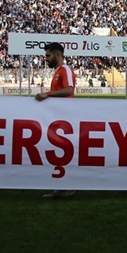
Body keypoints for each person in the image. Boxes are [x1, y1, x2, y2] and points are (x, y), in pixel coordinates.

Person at [35, 42, 77, 197]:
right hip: (59, 118)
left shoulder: (65, 70)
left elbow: (69, 90)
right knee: (59, 153)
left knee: (65, 152)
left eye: (48, 55)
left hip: (66, 118)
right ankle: (62, 187)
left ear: (58, 55)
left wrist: (48, 94)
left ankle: (68, 186)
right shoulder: (58, 71)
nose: (46, 59)